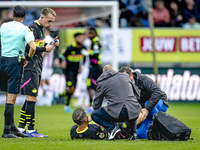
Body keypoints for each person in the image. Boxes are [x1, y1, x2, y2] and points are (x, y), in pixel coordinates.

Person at [17, 7, 59, 138]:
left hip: (37, 65)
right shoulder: (33, 27)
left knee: (30, 97)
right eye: (49, 21)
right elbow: (31, 47)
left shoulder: (41, 28)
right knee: (32, 97)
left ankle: (20, 128)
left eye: (52, 22)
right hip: (31, 65)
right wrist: (46, 48)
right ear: (42, 17)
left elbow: (38, 45)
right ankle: (31, 130)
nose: (50, 24)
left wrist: (50, 44)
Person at [0, 5, 36, 138]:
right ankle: (6, 131)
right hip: (15, 62)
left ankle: (12, 127)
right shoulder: (25, 29)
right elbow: (33, 47)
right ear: (25, 16)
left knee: (8, 95)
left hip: (2, 60)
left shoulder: (4, 26)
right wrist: (27, 57)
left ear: (13, 15)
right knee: (11, 98)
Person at [91, 65, 142, 140]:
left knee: (94, 114)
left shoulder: (102, 82)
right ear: (114, 70)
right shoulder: (126, 76)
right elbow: (137, 94)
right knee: (131, 105)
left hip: (118, 112)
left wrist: (101, 118)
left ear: (104, 73)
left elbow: (97, 103)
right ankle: (133, 134)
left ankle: (113, 128)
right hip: (135, 110)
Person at [118, 67, 168, 139]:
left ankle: (161, 125)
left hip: (160, 103)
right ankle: (155, 132)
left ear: (131, 76)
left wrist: (147, 109)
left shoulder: (143, 79)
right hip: (145, 111)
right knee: (140, 134)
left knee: (146, 103)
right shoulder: (124, 87)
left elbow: (158, 92)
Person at [59, 33, 86, 112]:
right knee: (71, 88)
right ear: (75, 39)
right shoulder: (70, 48)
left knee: (73, 90)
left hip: (76, 71)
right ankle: (66, 105)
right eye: (79, 38)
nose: (80, 39)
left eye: (81, 38)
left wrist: (82, 66)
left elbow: (84, 58)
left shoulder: (83, 48)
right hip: (68, 70)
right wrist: (63, 62)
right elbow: (61, 56)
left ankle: (66, 102)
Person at [85, 27, 102, 114]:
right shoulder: (93, 42)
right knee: (92, 86)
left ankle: (93, 106)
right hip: (94, 66)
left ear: (94, 33)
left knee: (91, 86)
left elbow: (95, 53)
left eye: (90, 33)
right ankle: (94, 105)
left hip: (95, 67)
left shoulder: (95, 42)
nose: (88, 35)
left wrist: (88, 52)